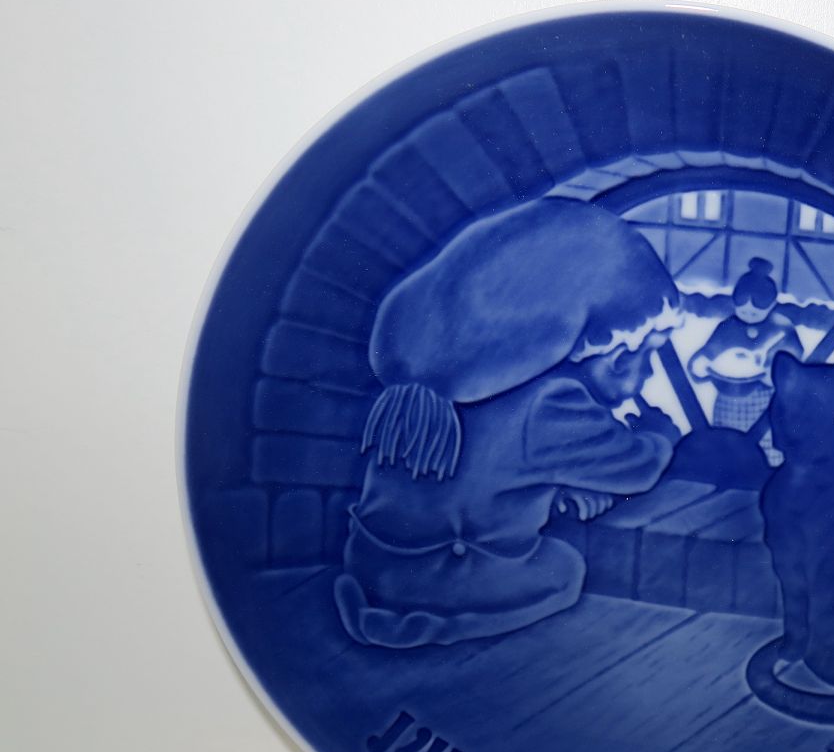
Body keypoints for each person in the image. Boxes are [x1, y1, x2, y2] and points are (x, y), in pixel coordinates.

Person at [333, 200, 682, 648]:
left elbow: (485, 476)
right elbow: (636, 467)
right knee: (563, 570)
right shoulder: (552, 405)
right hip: (449, 578)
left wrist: (558, 487)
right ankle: (433, 623)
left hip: (370, 564)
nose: (647, 373)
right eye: (646, 354)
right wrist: (661, 435)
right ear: (610, 351)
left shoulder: (434, 388)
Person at [687, 257, 803, 466]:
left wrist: (774, 375)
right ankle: (727, 468)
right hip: (728, 397)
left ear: (772, 305)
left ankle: (767, 471)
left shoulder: (780, 329)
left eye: (755, 312)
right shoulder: (728, 327)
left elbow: (793, 360)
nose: (748, 316)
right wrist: (701, 362)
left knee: (766, 441)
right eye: (743, 310)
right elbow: (710, 351)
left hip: (764, 398)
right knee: (727, 439)